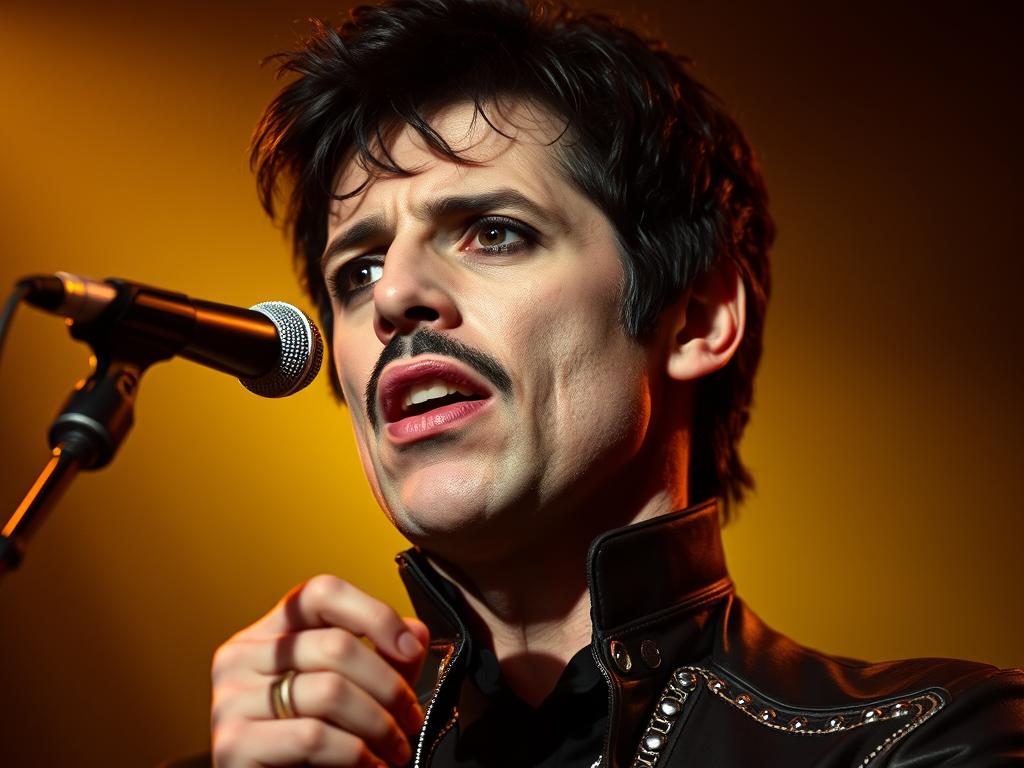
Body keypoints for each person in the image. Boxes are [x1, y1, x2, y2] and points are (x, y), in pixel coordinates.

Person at [202, 1, 1024, 766]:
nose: (392, 296)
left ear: (697, 318)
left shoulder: (939, 741)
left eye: (493, 233)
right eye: (360, 268)